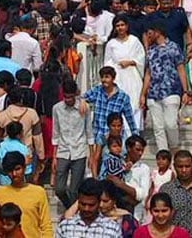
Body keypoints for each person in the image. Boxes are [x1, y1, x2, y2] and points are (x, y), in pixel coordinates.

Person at [141, 23, 191, 153]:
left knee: (170, 124)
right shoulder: (150, 51)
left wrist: (185, 91)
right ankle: (163, 154)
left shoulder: (173, 47)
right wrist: (143, 94)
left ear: (157, 31)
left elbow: (181, 69)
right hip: (153, 93)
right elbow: (148, 73)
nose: (147, 36)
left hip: (171, 90)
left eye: (149, 32)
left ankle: (174, 148)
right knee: (158, 127)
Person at [80, 66, 138, 176]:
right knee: (95, 163)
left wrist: (135, 137)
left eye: (107, 77)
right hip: (99, 135)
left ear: (113, 78)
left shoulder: (122, 97)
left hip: (115, 138)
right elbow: (81, 97)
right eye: (102, 77)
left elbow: (130, 119)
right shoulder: (97, 91)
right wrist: (83, 100)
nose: (104, 80)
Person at [0, 152, 53, 238]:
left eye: (17, 169)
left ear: (24, 168)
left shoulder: (38, 192)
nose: (14, 174)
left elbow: (46, 226)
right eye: (10, 171)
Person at [51, 79, 91, 209]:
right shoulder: (57, 108)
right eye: (66, 97)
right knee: (59, 189)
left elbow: (89, 132)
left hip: (79, 151)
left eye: (70, 97)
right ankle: (71, 209)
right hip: (63, 151)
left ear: (75, 94)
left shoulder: (84, 107)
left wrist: (92, 155)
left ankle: (74, 214)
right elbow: (56, 133)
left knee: (74, 190)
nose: (68, 100)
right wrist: (54, 157)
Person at [103, 15, 146, 135]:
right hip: (118, 78)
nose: (120, 28)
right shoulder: (111, 43)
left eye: (122, 25)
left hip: (132, 77)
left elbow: (141, 58)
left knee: (134, 104)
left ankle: (134, 134)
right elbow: (107, 62)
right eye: (117, 25)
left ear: (127, 26)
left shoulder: (134, 40)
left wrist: (131, 62)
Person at [56, 178, 122, 237]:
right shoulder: (65, 227)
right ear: (78, 202)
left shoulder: (112, 228)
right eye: (83, 204)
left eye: (91, 205)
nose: (86, 209)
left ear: (99, 203)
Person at [145, 150, 174, 223]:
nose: (160, 161)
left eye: (163, 159)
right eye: (158, 159)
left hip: (165, 198)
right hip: (154, 197)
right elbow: (152, 188)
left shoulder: (170, 173)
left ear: (169, 161)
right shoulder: (154, 172)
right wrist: (147, 199)